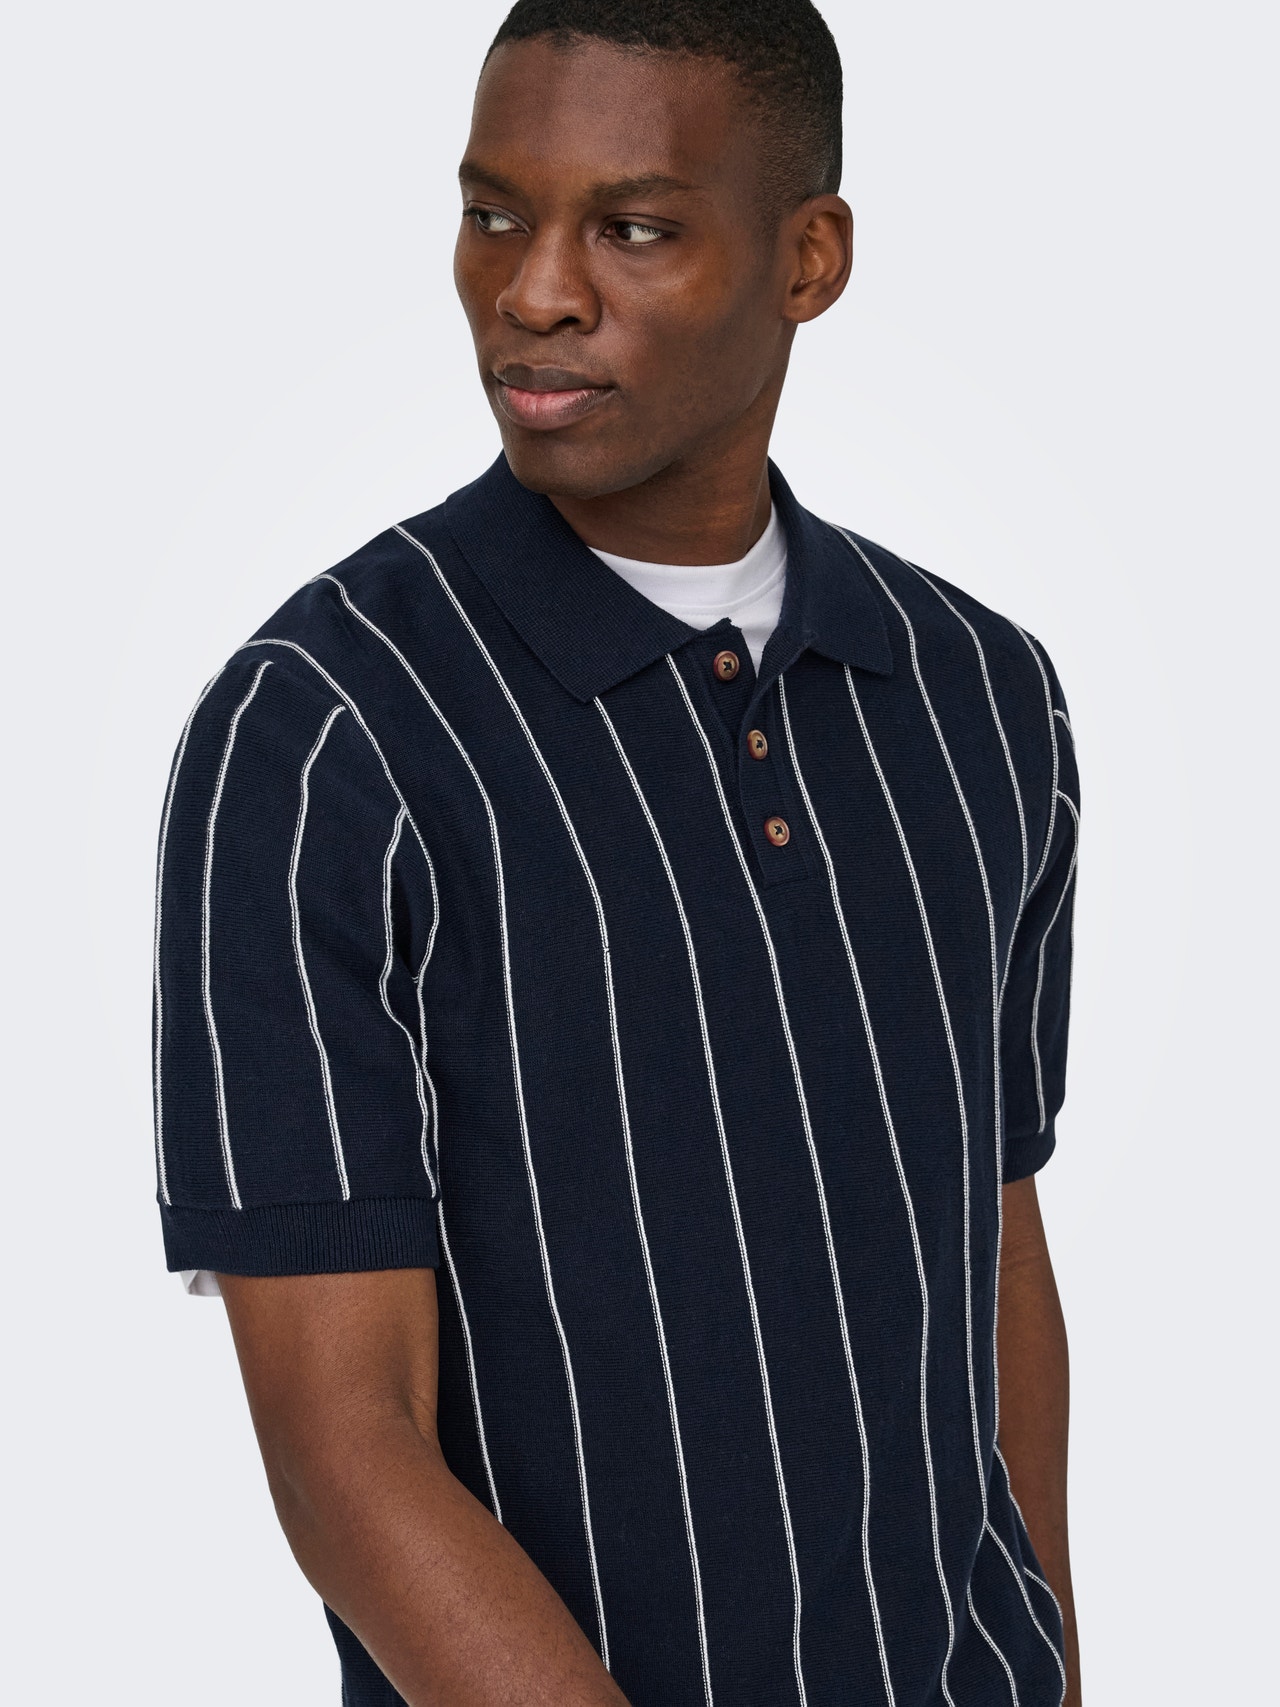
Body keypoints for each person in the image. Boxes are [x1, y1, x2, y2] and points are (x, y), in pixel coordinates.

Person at [152, 2, 1082, 1703]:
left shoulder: (982, 697)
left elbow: (996, 1241)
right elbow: (345, 1447)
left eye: (633, 228)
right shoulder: (323, 733)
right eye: (493, 212)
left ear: (809, 259)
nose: (533, 291)